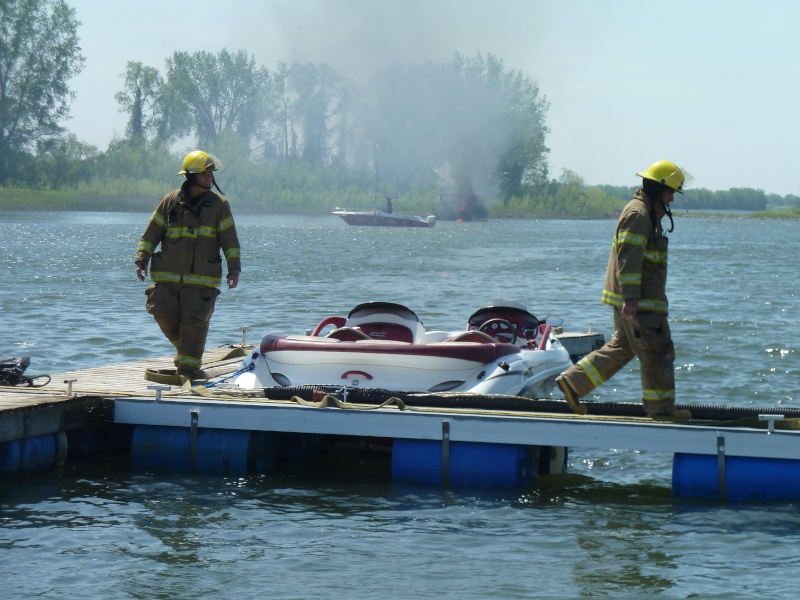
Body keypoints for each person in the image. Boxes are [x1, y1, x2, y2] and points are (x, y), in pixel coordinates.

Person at [556, 160, 693, 420]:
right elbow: (628, 257)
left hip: (635, 301)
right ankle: (661, 411)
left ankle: (573, 383)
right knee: (657, 351)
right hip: (640, 303)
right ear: (657, 188)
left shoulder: (644, 212)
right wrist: (631, 298)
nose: (672, 199)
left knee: (624, 347)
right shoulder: (639, 214)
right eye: (670, 192)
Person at [135, 150, 241, 382]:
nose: (209, 177)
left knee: (194, 324)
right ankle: (185, 351)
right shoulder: (170, 202)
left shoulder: (219, 205)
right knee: (161, 313)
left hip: (201, 280)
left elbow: (230, 241)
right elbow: (151, 233)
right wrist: (142, 258)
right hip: (168, 278)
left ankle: (188, 373)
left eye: (211, 173)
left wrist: (234, 269)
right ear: (190, 175)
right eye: (204, 173)